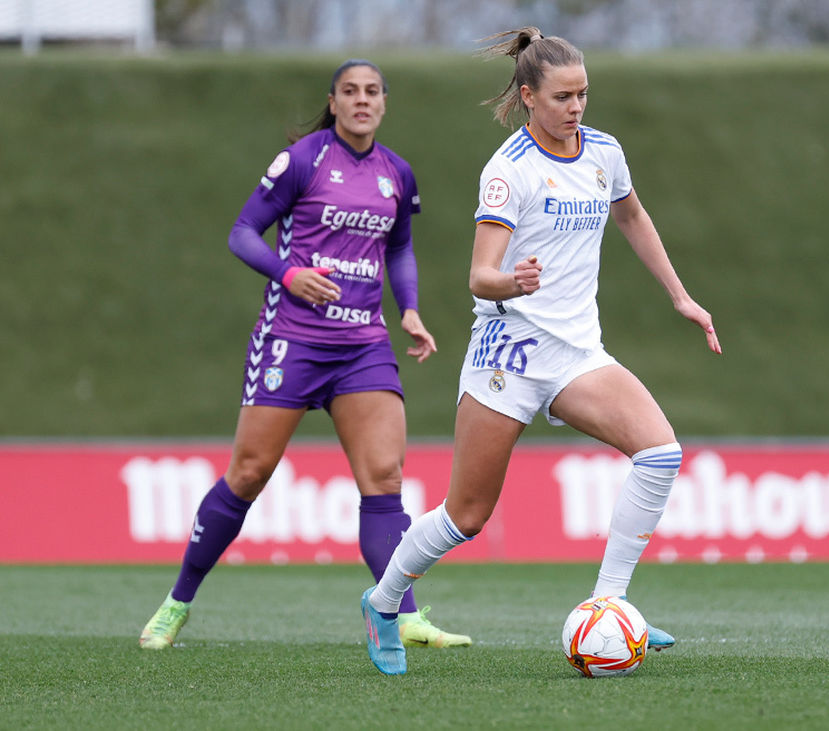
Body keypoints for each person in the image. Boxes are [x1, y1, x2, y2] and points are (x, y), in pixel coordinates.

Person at [359, 27, 721, 675]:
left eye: (583, 94)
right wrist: (513, 281)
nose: (577, 107)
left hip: (578, 351)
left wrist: (680, 296)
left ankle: (608, 604)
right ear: (529, 96)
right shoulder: (508, 172)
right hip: (509, 356)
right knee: (466, 514)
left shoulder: (604, 153)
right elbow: (479, 277)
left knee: (661, 452)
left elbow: (632, 217)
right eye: (563, 96)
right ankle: (383, 603)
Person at [139, 59, 470, 652]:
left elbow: (399, 250)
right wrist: (288, 274)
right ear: (335, 101)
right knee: (248, 474)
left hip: (363, 344)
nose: (362, 101)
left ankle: (403, 614)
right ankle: (177, 601)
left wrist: (410, 309)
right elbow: (243, 232)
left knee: (386, 480)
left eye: (372, 92)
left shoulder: (398, 174)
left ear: (384, 103)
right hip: (292, 339)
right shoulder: (303, 161)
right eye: (350, 92)